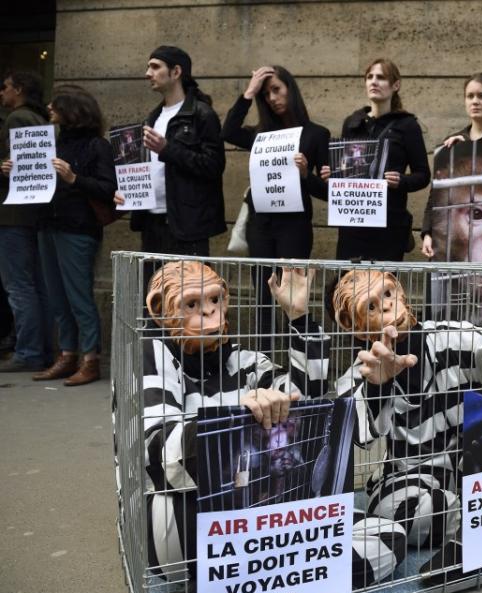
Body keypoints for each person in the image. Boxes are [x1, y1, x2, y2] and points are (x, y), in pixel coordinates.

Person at [138, 261, 405, 593]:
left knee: (390, 535)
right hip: (192, 525)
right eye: (192, 304)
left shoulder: (245, 361)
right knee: (176, 505)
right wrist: (239, 424)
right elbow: (158, 455)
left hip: (262, 516)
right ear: (158, 309)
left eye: (215, 300)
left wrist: (299, 318)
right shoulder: (153, 356)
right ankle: (313, 591)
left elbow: (312, 409)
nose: (209, 312)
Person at [332, 262, 482, 571]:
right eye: (371, 306)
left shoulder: (454, 337)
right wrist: (377, 386)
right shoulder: (359, 371)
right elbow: (362, 438)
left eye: (388, 293)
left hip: (471, 463)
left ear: (400, 290)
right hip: (410, 480)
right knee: (398, 511)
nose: (387, 305)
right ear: (355, 326)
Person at [221, 65, 330, 348]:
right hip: (262, 225)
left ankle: (299, 365)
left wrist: (306, 176)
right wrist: (249, 92)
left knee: (294, 298)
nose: (271, 98)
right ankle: (265, 365)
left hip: (294, 226)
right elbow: (228, 131)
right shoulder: (260, 135)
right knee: (263, 297)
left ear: (290, 89)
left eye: (277, 90)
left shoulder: (316, 134)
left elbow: (329, 191)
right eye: (266, 93)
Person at [28, 85, 114, 385]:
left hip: (77, 228)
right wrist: (14, 171)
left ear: (73, 110)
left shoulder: (96, 146)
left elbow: (108, 188)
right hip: (47, 225)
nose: (50, 107)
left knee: (78, 295)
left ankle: (90, 359)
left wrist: (74, 178)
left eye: (57, 104)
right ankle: (67, 354)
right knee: (57, 296)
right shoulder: (51, 143)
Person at [116, 46, 226, 260]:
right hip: (151, 222)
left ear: (176, 72)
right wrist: (127, 193)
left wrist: (167, 149)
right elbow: (147, 170)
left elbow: (214, 166)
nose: (148, 74)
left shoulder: (202, 114)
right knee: (153, 291)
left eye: (155, 67)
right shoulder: (152, 118)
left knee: (186, 291)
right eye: (149, 67)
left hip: (186, 226)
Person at [321, 59, 430, 261]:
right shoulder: (352, 123)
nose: (374, 82)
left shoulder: (407, 125)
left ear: (395, 85)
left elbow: (423, 175)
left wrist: (401, 181)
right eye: (370, 77)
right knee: (349, 287)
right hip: (353, 223)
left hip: (388, 226)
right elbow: (347, 171)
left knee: (382, 287)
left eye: (381, 77)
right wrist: (333, 177)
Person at [421, 72, 482, 259]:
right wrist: (427, 232)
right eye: (470, 96)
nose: (475, 101)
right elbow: (436, 195)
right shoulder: (452, 143)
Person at [0, 71, 53, 373]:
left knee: (19, 285)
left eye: (5, 87)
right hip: (33, 214)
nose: (2, 93)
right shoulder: (40, 119)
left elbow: (16, 167)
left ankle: (29, 351)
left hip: (14, 215)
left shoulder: (18, 118)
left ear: (18, 90)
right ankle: (39, 349)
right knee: (35, 285)